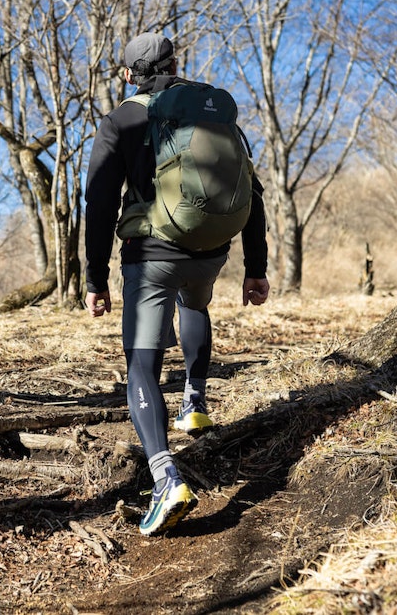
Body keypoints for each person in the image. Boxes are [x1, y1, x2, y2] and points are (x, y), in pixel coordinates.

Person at [84, 32, 270, 536]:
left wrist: (95, 277)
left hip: (151, 258)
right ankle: (195, 402)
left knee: (141, 364)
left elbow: (99, 204)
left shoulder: (121, 119)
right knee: (195, 304)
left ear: (127, 75)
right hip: (210, 253)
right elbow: (251, 191)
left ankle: (166, 478)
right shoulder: (211, 113)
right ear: (175, 64)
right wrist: (257, 267)